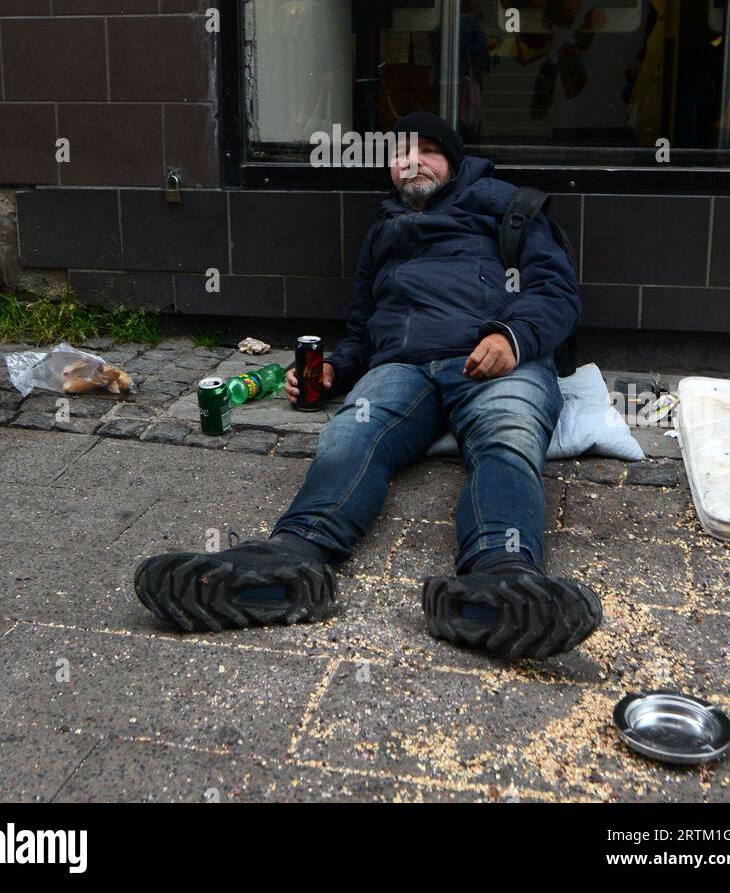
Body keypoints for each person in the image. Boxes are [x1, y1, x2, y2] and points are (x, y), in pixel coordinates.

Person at [134, 112, 602, 660]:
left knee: (508, 436)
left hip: (496, 359)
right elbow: (361, 326)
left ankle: (501, 578)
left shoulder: (510, 207)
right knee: (351, 434)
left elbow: (556, 290)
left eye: (427, 151)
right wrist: (336, 370)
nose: (412, 161)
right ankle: (291, 558)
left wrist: (514, 337)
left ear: (453, 162)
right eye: (400, 153)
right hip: (402, 368)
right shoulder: (384, 232)